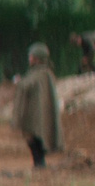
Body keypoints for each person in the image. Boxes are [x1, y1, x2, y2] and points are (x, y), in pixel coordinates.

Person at [13, 41, 61, 169]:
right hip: (34, 111)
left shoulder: (42, 73)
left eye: (31, 56)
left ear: (37, 58)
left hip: (38, 113)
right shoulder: (38, 73)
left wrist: (19, 82)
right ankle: (38, 163)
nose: (29, 58)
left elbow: (27, 85)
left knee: (36, 138)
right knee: (31, 137)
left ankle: (39, 164)